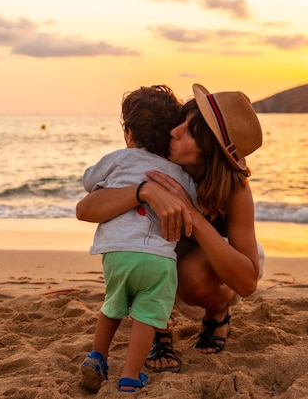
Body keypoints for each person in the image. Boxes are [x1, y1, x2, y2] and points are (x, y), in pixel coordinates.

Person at [76, 83, 263, 374]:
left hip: (217, 269)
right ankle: (159, 331)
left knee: (189, 273)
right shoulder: (157, 164)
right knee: (136, 253)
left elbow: (248, 282)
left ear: (210, 152)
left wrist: (191, 213)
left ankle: (217, 313)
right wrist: (145, 191)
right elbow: (85, 209)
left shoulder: (234, 190)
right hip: (160, 264)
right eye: (182, 122)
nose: (174, 131)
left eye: (190, 131)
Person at [78, 85, 197, 393]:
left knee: (112, 305)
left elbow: (90, 181)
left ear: (129, 132)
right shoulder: (179, 174)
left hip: (117, 253)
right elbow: (192, 207)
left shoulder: (117, 159)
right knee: (147, 316)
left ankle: (97, 355)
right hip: (159, 259)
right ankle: (130, 375)